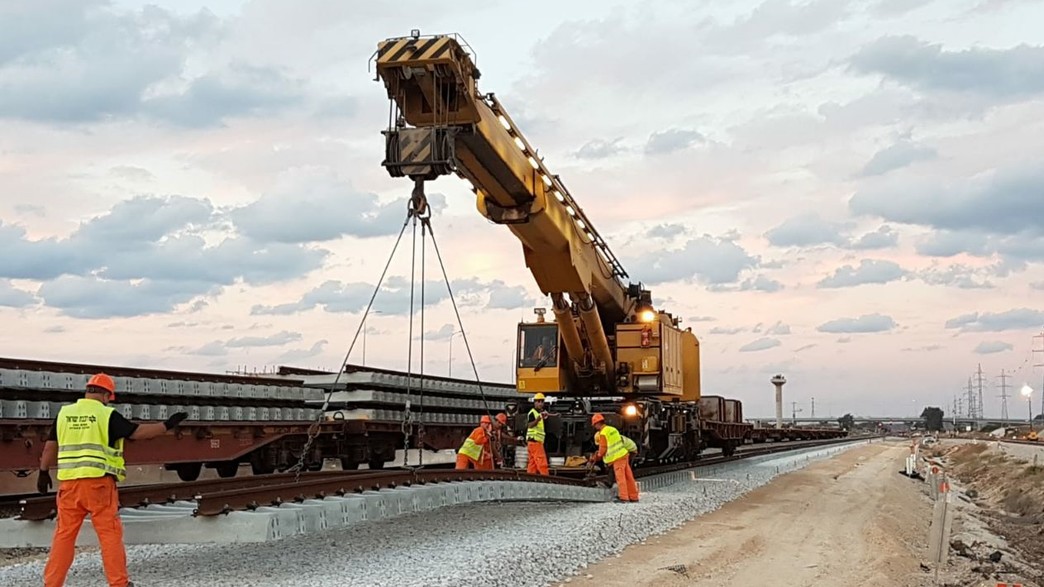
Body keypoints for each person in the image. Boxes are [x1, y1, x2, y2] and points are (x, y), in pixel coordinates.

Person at [37, 373, 189, 587]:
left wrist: (43, 472)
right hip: (98, 485)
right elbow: (137, 433)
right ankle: (119, 583)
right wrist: (166, 425)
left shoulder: (65, 414)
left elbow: (50, 445)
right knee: (109, 535)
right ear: (106, 395)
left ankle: (52, 584)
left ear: (88, 391)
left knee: (64, 536)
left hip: (69, 486)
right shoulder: (106, 415)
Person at [587, 413, 639, 503]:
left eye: (594, 425)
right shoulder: (612, 429)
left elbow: (602, 450)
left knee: (620, 478)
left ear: (597, 423)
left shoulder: (603, 433)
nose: (595, 427)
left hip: (617, 458)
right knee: (629, 477)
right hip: (624, 455)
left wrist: (595, 458)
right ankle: (634, 497)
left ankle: (624, 498)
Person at [526, 393, 551, 475]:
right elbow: (530, 425)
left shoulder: (539, 413)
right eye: (538, 401)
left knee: (532, 464)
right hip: (535, 442)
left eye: (542, 401)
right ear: (535, 402)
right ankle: (546, 479)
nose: (540, 403)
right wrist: (538, 419)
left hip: (532, 442)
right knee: (542, 462)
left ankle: (530, 478)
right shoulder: (532, 413)